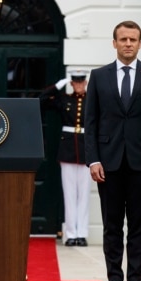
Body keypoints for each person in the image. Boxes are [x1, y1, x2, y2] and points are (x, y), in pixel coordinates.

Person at [84, 21, 141, 281]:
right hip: (108, 163)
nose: (128, 43)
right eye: (123, 39)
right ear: (114, 43)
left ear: (140, 43)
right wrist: (93, 159)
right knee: (111, 226)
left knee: (139, 226)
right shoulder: (99, 76)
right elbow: (91, 122)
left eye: (133, 39)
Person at [40, 67, 90, 246]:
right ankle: (70, 233)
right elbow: (41, 101)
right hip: (68, 149)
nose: (78, 85)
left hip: (86, 150)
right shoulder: (63, 100)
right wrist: (58, 85)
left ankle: (82, 233)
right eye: (75, 82)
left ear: (85, 82)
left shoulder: (92, 100)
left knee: (84, 194)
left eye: (81, 82)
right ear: (71, 83)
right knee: (69, 194)